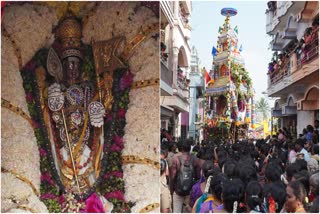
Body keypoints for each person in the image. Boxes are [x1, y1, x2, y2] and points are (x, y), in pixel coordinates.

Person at [170, 139, 203, 213]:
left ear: (180, 148)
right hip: (190, 191)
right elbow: (198, 176)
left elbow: (172, 177)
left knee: (176, 211)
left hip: (178, 191)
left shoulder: (176, 159)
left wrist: (172, 190)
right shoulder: (195, 159)